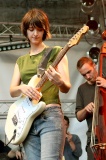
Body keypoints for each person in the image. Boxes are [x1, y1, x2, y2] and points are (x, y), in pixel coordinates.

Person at [9, 8, 71, 160]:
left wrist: (59, 81)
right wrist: (22, 88)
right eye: (31, 30)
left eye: (39, 29)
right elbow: (12, 91)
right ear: (26, 31)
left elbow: (66, 87)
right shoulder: (21, 61)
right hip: (27, 121)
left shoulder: (57, 52)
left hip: (50, 116)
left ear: (45, 31)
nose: (35, 34)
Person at [75, 56, 106, 160]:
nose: (88, 77)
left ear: (94, 65)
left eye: (89, 72)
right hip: (94, 138)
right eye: (84, 75)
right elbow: (78, 116)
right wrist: (85, 109)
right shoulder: (81, 89)